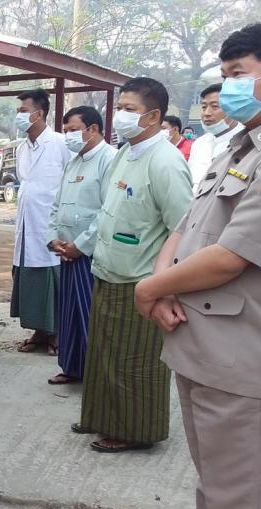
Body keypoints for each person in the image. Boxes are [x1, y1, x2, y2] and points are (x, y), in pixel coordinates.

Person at [134, 24, 261, 509]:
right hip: (201, 348)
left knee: (239, 502)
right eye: (225, 75)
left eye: (239, 74)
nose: (229, 88)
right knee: (214, 484)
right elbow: (186, 226)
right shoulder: (238, 148)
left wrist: (148, 291)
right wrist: (161, 283)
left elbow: (230, 256)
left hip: (238, 360)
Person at [75, 77, 193, 452]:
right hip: (108, 270)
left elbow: (184, 229)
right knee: (104, 354)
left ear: (153, 116)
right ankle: (101, 417)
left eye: (129, 109)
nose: (120, 116)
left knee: (134, 360)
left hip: (141, 280)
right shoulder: (125, 153)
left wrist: (167, 286)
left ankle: (135, 430)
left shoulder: (166, 162)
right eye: (119, 108)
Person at [46, 106, 117, 385]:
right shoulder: (73, 162)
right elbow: (57, 205)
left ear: (93, 129)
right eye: (65, 131)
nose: (68, 136)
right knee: (69, 314)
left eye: (73, 130)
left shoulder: (109, 159)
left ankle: (96, 375)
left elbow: (108, 210)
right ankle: (72, 367)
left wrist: (80, 245)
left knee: (90, 314)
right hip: (66, 252)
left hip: (91, 253)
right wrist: (54, 239)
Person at [11, 89, 71, 356]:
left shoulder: (60, 143)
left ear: (39, 113)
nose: (19, 116)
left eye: (23, 111)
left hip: (51, 223)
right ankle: (39, 330)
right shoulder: (22, 147)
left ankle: (56, 332)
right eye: (18, 111)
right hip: (27, 223)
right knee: (29, 278)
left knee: (51, 277)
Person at [188, 83, 244, 185]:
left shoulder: (247, 142)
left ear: (234, 109)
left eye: (215, 106)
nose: (206, 113)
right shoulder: (199, 143)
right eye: (204, 107)